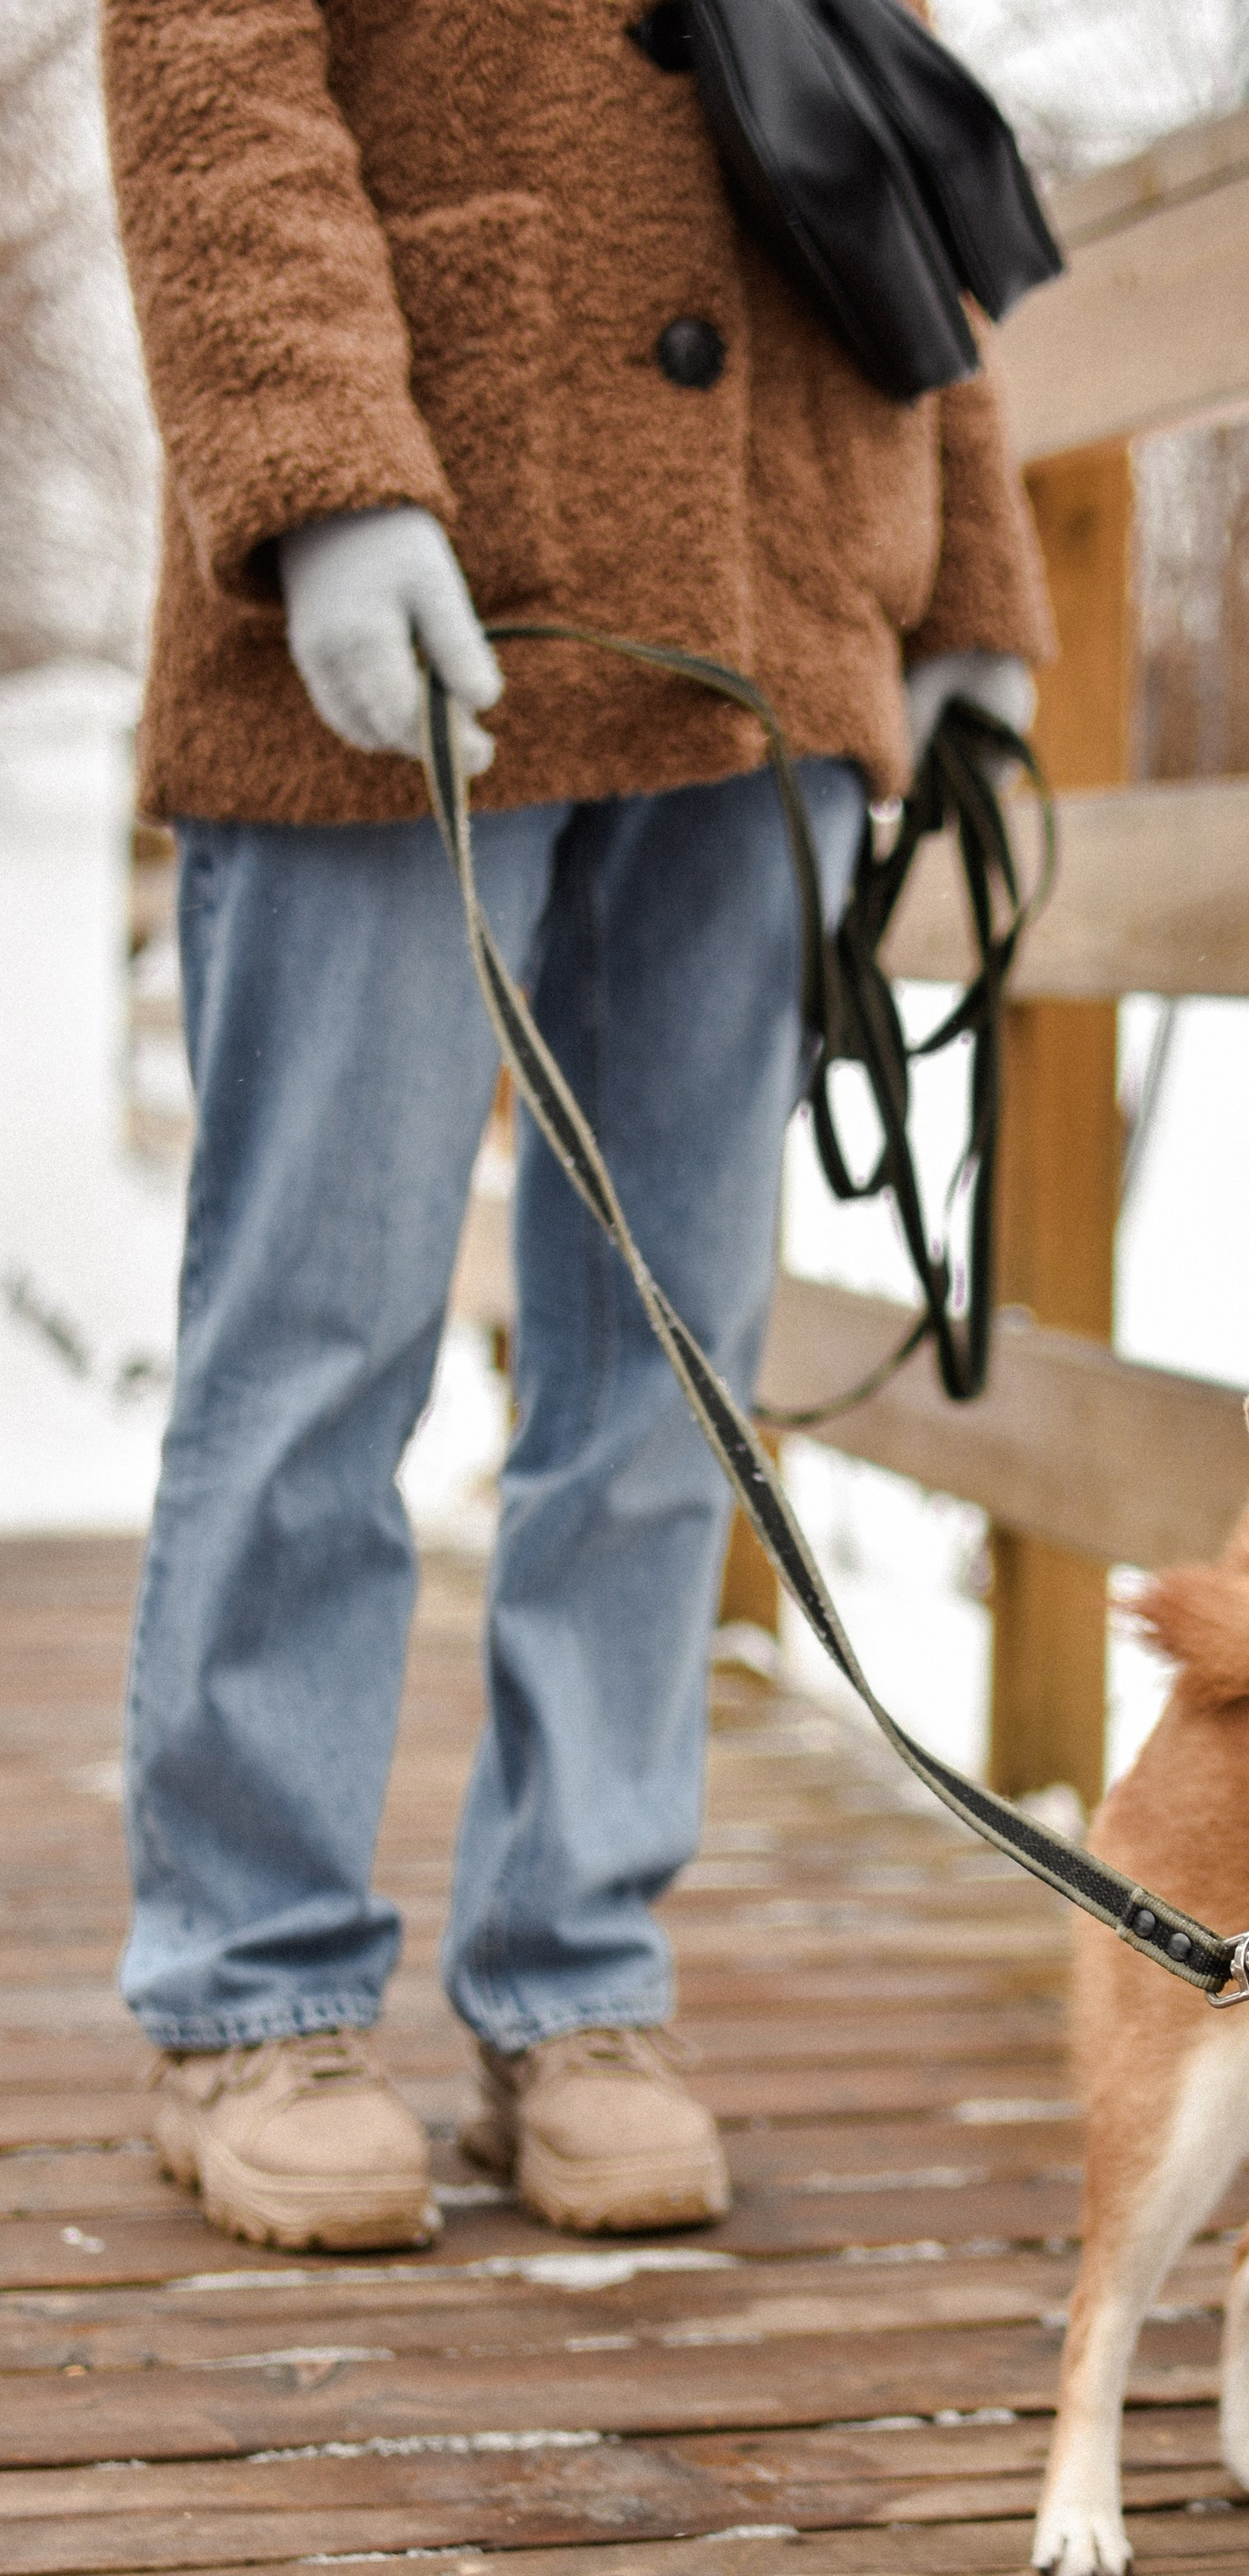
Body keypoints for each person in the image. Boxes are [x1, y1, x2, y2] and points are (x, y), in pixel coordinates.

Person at [100, 0, 1053, 2251]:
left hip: (777, 607)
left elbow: (879, 118)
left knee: (669, 1361)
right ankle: (252, 1994)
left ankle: (580, 1984)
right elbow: (204, 61)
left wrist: (971, 573)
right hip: (427, 566)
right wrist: (319, 476)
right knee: (317, 1325)